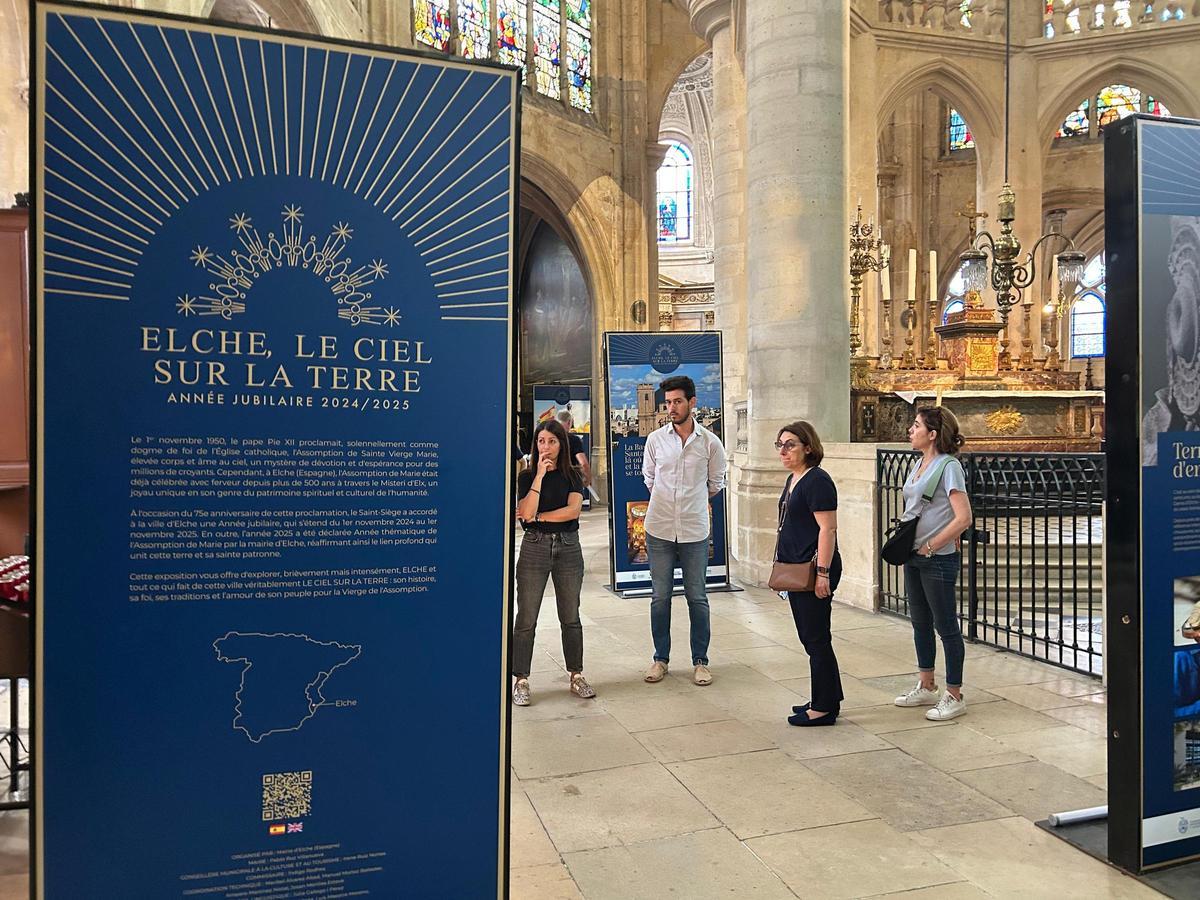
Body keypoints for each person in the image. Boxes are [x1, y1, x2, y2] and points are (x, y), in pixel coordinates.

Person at [641, 375, 727, 686]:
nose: (672, 407)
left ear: (692, 402)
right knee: (660, 596)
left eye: (678, 401)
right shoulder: (655, 440)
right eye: (668, 402)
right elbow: (650, 479)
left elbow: (716, 484)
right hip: (660, 527)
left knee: (697, 596)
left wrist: (691, 502)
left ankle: (700, 661)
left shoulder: (710, 443)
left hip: (694, 529)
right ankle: (660, 659)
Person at [893, 406, 973, 721]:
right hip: (914, 554)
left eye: (916, 425)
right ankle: (927, 684)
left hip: (936, 558)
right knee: (920, 623)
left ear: (933, 434)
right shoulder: (919, 463)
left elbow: (963, 517)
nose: (910, 430)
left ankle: (954, 694)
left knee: (946, 627)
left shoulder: (949, 466)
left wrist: (931, 544)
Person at [512, 419, 595, 706]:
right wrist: (538, 478)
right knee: (526, 618)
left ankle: (576, 674)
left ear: (562, 444)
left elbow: (573, 512)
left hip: (568, 547)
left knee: (570, 615)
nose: (545, 447)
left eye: (552, 441)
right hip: (534, 548)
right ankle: (521, 679)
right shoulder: (526, 477)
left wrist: (540, 518)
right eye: (541, 441)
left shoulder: (572, 474)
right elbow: (524, 512)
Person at [774, 421, 843, 727]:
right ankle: (824, 697)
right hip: (796, 568)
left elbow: (827, 529)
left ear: (808, 447)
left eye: (790, 444)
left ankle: (824, 707)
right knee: (811, 638)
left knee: (816, 639)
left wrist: (824, 574)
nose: (783, 451)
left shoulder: (817, 480)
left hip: (815, 569)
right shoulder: (795, 478)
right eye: (780, 445)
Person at [556, 410, 593, 489]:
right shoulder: (574, 440)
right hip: (569, 482)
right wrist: (587, 480)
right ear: (569, 422)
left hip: (551, 482)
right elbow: (583, 463)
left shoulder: (549, 439)